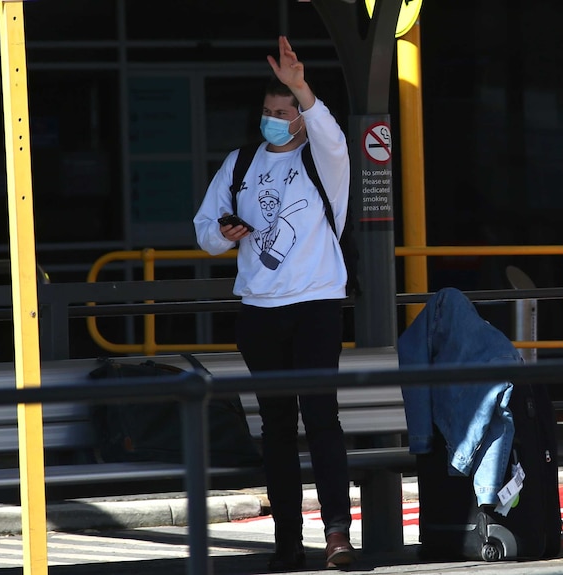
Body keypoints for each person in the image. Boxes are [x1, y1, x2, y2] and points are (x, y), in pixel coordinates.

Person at [193, 35, 355, 571]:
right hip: (259, 311)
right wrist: (225, 232)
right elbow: (204, 231)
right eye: (269, 110)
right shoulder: (240, 163)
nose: (275, 118)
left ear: (302, 118)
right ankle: (288, 539)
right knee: (277, 427)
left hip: (315, 305)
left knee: (321, 417)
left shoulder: (324, 160)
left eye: (284, 111)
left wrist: (302, 86)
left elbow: (333, 137)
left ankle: (336, 534)